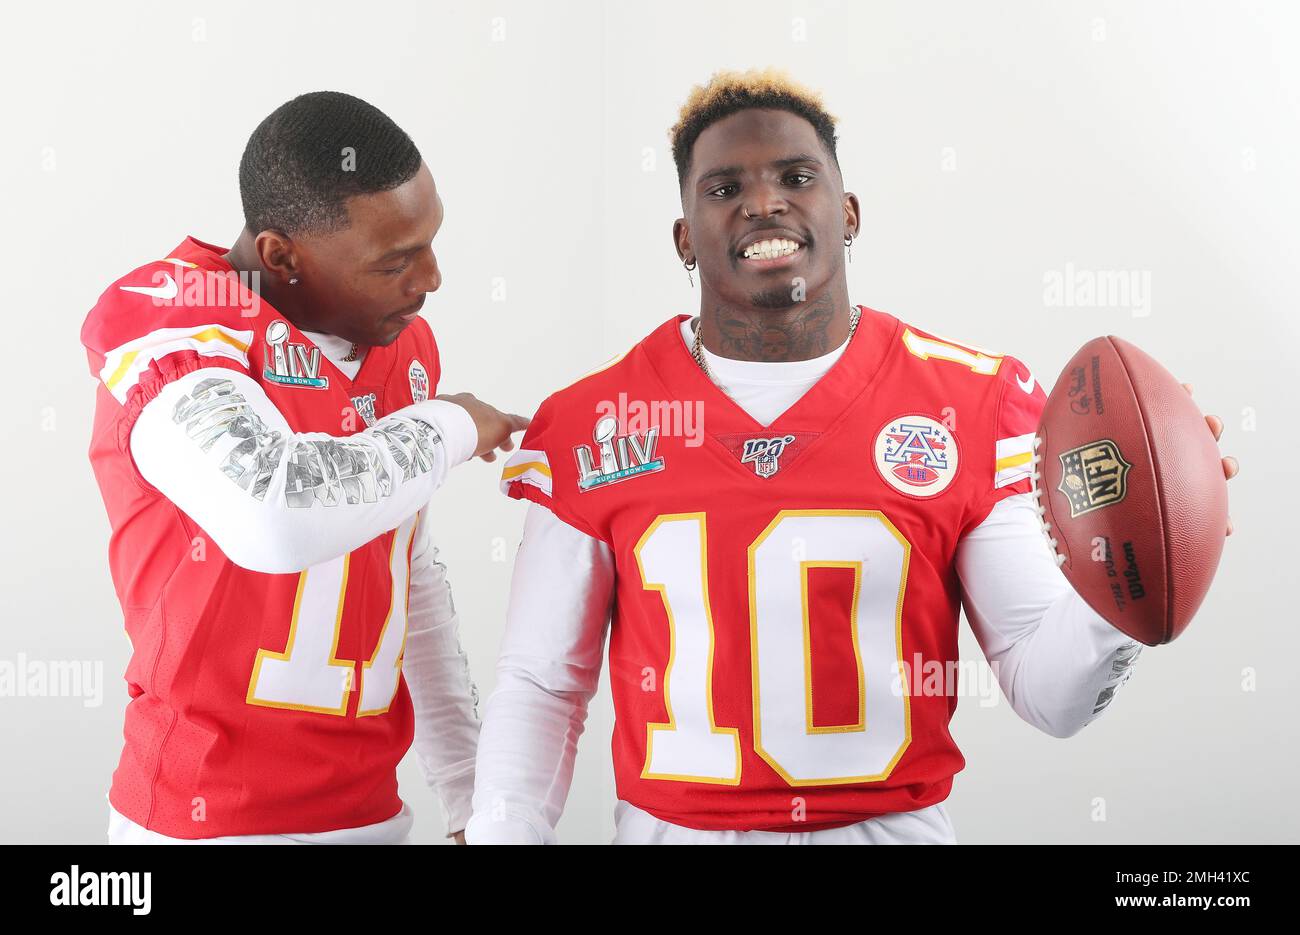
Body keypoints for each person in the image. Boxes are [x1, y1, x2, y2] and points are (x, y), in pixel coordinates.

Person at [466, 70, 1237, 844]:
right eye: (723, 187)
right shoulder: (596, 419)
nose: (764, 202)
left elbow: (1049, 694)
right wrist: (503, 830)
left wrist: (1133, 562)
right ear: (683, 239)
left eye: (797, 178)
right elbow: (542, 682)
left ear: (850, 213)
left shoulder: (966, 400)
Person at [82, 91, 526, 844]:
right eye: (395, 260)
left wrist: (468, 791)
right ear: (281, 255)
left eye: (429, 240)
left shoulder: (400, 346)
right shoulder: (179, 314)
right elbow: (274, 512)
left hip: (369, 812)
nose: (433, 278)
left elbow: (405, 572)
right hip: (206, 822)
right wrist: (451, 422)